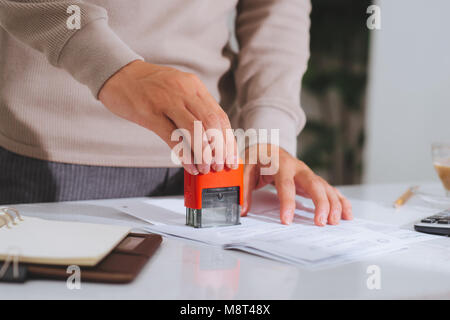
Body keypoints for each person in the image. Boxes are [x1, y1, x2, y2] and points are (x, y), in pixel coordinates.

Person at [0, 0, 352, 226]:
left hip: (215, 161)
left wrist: (270, 131)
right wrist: (112, 68)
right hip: (50, 155)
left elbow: (276, 9)